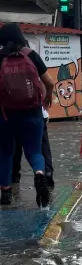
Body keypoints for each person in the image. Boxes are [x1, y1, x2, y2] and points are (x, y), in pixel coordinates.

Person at [0, 23, 54, 207]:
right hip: (32, 112)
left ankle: (6, 192)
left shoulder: (0, 57)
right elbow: (50, 81)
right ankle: (39, 174)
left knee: (6, 152)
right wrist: (48, 98)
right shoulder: (30, 55)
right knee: (34, 151)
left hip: (6, 114)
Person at [13, 106, 53, 187]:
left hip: (13, 115)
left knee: (15, 146)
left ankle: (13, 176)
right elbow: (46, 97)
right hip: (36, 114)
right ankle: (45, 172)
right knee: (39, 148)